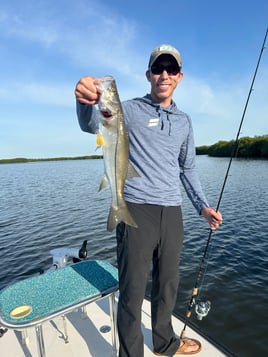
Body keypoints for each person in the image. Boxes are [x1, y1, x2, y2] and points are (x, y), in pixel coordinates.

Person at [75, 44, 223, 357]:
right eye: (158, 69)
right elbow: (92, 124)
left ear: (180, 76)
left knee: (167, 285)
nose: (164, 75)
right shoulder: (127, 109)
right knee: (131, 291)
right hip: (135, 209)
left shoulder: (184, 121)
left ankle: (165, 342)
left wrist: (203, 206)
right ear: (148, 75)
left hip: (172, 212)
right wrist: (84, 100)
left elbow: (188, 169)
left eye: (171, 69)